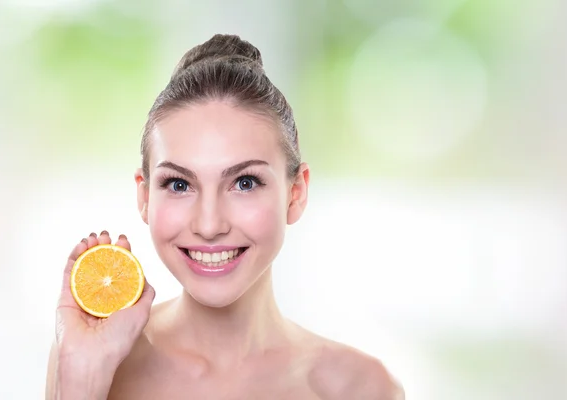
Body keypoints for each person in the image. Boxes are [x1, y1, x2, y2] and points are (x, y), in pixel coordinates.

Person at [45, 34, 404, 400]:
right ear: (145, 196)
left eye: (245, 182)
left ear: (296, 193)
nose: (209, 225)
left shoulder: (361, 388)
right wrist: (80, 383)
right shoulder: (89, 357)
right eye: (180, 184)